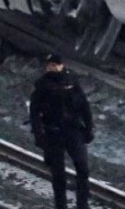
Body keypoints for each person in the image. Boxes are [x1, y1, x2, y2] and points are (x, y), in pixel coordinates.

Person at [30, 54, 94, 209]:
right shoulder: (42, 85)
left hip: (73, 130)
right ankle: (61, 206)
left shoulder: (72, 82)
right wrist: (39, 135)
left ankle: (82, 205)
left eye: (56, 65)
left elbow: (84, 106)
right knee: (58, 175)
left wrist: (89, 127)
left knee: (83, 168)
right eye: (51, 65)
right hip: (53, 132)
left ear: (62, 66)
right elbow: (34, 112)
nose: (54, 68)